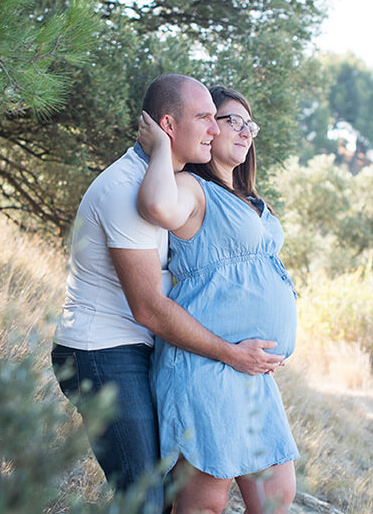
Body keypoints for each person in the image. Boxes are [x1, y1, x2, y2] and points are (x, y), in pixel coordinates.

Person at [50, 74, 284, 512]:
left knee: (164, 493)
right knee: (145, 498)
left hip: (141, 350)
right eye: (206, 119)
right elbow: (149, 309)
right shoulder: (127, 190)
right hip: (103, 350)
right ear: (168, 126)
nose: (216, 131)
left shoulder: (166, 181)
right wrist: (232, 354)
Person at [136, 85, 299, 514]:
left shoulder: (249, 198)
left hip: (253, 372)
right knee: (204, 503)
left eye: (251, 125)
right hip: (207, 365)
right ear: (207, 128)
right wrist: (160, 149)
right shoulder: (192, 187)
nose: (245, 132)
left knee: (276, 495)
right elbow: (155, 205)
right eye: (233, 121)